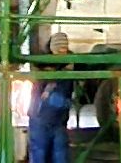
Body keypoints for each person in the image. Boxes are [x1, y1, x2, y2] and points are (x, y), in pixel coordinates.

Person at [26, 33, 74, 163]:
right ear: (53, 49)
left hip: (58, 121)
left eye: (64, 48)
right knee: (41, 155)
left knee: (59, 155)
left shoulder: (70, 64)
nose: (62, 51)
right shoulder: (43, 65)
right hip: (40, 120)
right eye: (59, 49)